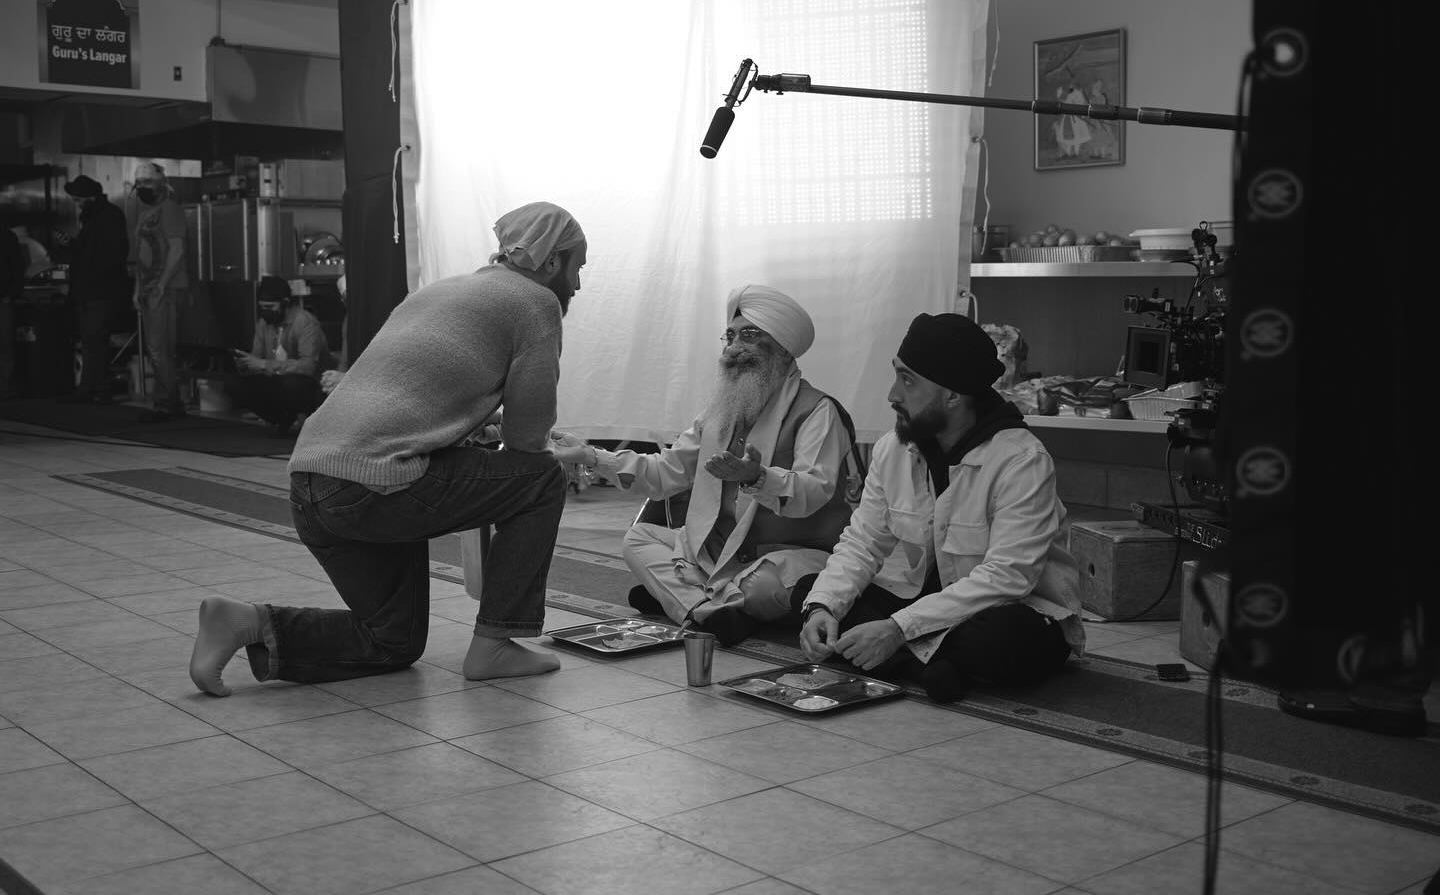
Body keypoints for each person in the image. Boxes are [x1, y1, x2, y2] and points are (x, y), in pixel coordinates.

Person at [187, 201, 588, 696]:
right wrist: (548, 446)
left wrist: (476, 427)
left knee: (392, 640)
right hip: (374, 486)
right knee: (541, 478)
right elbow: (528, 441)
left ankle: (245, 621)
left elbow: (401, 399)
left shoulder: (439, 291)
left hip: (312, 482)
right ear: (551, 260)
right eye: (576, 268)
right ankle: (495, 644)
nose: (576, 285)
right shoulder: (535, 302)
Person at [793, 312, 1085, 703]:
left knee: (1002, 639)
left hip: (1012, 608)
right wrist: (822, 608)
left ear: (952, 395)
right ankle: (932, 666)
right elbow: (863, 542)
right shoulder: (893, 449)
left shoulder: (1021, 460)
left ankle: (901, 657)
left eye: (908, 380)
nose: (892, 394)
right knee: (812, 593)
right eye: (897, 375)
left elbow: (1007, 578)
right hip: (926, 602)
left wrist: (898, 628)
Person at [553, 284, 857, 647]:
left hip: (785, 554)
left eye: (749, 335)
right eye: (730, 336)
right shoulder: (720, 412)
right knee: (639, 538)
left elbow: (813, 491)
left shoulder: (817, 411)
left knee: (763, 586)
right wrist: (590, 456)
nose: (734, 348)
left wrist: (758, 477)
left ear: (783, 348)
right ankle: (712, 609)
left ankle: (686, 600)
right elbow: (665, 473)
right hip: (716, 553)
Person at [224, 276, 332, 434]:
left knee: (291, 384)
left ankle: (308, 418)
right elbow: (257, 358)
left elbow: (308, 367)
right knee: (233, 383)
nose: (265, 311)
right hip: (275, 379)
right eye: (262, 307)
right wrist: (246, 364)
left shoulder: (304, 322)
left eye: (270, 307)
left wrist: (264, 365)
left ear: (285, 303)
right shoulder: (264, 323)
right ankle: (280, 419)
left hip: (309, 384)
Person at [56, 175, 130, 404]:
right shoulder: (104, 216)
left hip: (97, 290)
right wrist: (73, 245)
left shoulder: (104, 218)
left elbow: (110, 255)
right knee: (93, 340)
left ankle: (95, 387)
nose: (77, 204)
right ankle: (95, 387)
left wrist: (74, 248)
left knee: (93, 340)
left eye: (78, 199)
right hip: (96, 289)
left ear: (90, 197)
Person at [126, 161, 189, 421]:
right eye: (139, 183)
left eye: (148, 182)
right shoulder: (145, 213)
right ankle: (165, 401)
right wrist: (137, 290)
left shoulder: (170, 209)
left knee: (159, 349)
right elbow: (141, 258)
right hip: (150, 288)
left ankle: (168, 403)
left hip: (166, 289)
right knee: (156, 349)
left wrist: (162, 284)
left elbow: (177, 249)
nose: (143, 187)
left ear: (161, 183)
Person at [0, 220, 26, 400]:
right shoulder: (7, 236)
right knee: (6, 345)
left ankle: (7, 388)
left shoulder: (7, 237)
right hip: (4, 298)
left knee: (6, 344)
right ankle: (7, 388)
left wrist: (11, 294)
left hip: (4, 298)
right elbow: (17, 267)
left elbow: (17, 268)